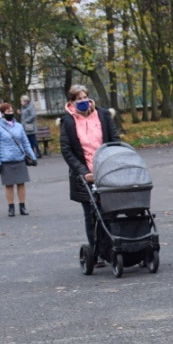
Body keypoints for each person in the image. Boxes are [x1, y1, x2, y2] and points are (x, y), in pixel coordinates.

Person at [60, 84, 119, 261]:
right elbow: (67, 149)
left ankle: (112, 247)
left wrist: (113, 160)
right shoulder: (68, 121)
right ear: (72, 102)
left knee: (110, 211)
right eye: (79, 99)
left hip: (106, 171)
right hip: (84, 175)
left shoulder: (103, 115)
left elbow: (114, 139)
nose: (83, 101)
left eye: (85, 97)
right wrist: (83, 171)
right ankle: (97, 251)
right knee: (91, 214)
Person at [0, 102, 36, 216]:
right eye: (7, 111)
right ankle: (11, 207)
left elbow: (25, 143)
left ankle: (22, 206)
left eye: (11, 111)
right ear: (2, 113)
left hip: (19, 158)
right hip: (6, 160)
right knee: (9, 185)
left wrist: (33, 157)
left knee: (21, 183)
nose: (10, 113)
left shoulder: (19, 126)